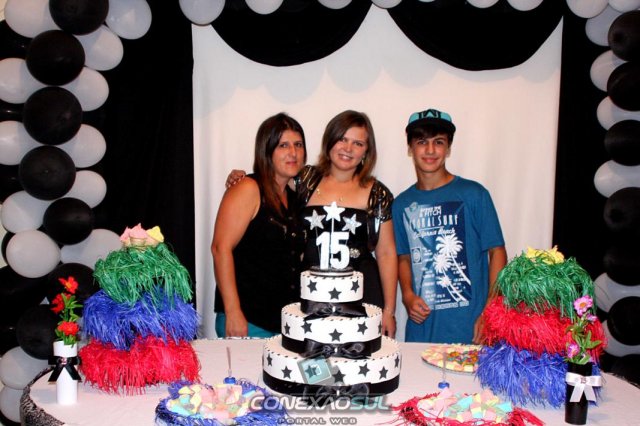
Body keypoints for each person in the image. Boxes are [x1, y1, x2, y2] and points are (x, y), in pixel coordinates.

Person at [227, 110, 398, 337]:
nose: (348, 148)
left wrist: (389, 310)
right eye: (342, 139)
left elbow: (386, 253)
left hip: (361, 296)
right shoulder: (304, 179)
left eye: (358, 143)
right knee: (309, 358)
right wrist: (240, 177)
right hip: (310, 296)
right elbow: (269, 179)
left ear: (367, 151)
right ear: (329, 141)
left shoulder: (378, 193)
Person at [392, 108, 507, 344]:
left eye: (439, 142)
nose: (430, 150)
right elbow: (403, 257)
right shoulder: (401, 204)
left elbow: (497, 251)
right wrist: (408, 296)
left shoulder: (474, 194)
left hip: (471, 330)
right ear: (410, 148)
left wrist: (491, 309)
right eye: (422, 142)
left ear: (449, 148)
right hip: (422, 332)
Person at [211, 112, 307, 337]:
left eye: (298, 144)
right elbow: (220, 248)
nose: (293, 152)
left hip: (286, 323)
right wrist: (233, 311)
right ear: (267, 150)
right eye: (283, 145)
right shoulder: (248, 188)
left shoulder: (296, 197)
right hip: (248, 320)